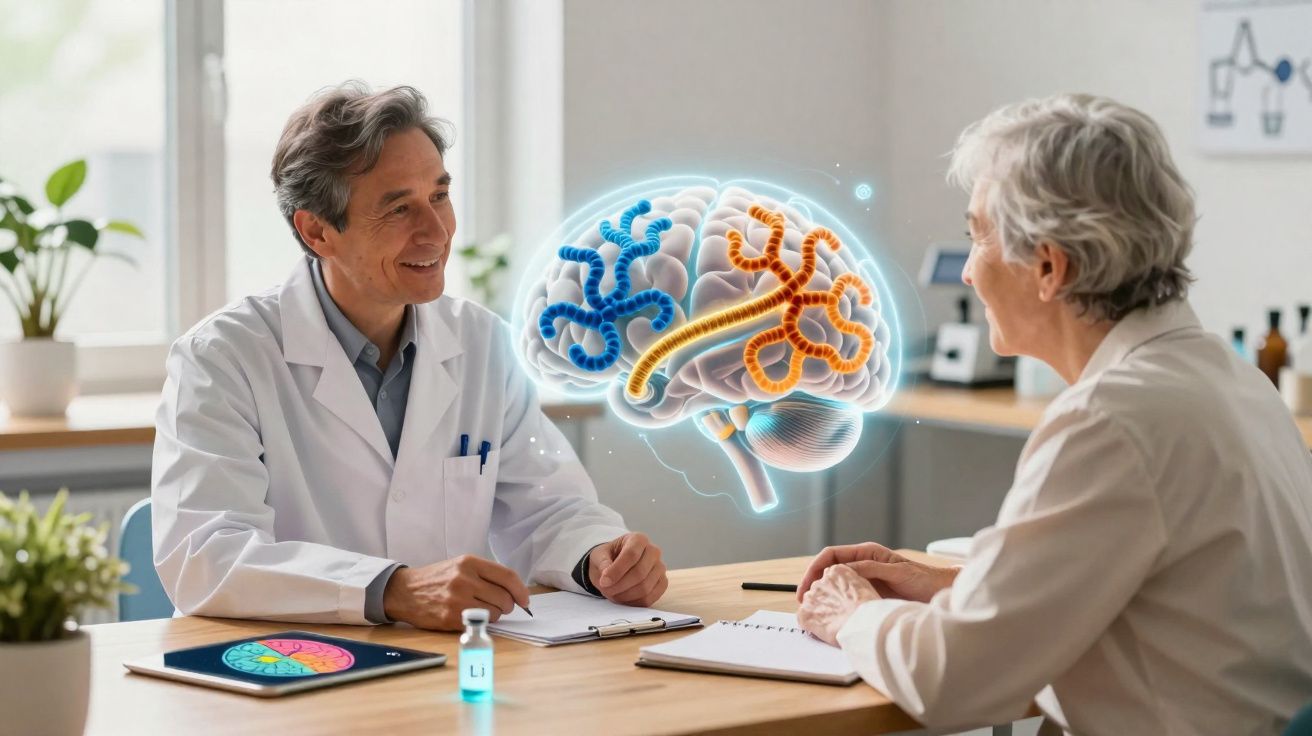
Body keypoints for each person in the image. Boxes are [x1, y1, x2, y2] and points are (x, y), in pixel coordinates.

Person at [796, 94, 1312, 734]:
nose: (968, 274)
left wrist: (851, 612)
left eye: (977, 235)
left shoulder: (1111, 421)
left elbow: (953, 683)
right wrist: (947, 587)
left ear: (1048, 265)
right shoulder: (1231, 380)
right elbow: (1150, 598)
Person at [152, 83, 668, 631]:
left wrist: (598, 559)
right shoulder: (222, 359)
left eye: (440, 197)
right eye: (399, 208)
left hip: (446, 669)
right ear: (317, 230)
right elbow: (205, 555)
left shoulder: (483, 344)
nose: (436, 231)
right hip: (293, 676)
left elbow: (549, 507)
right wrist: (390, 590)